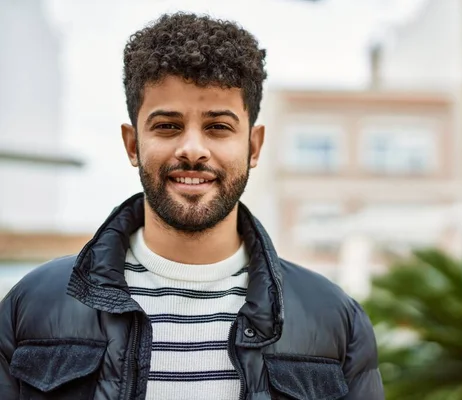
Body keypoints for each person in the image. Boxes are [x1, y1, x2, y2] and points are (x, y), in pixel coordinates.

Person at [0, 12, 384, 400]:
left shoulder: (335, 319)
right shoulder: (31, 305)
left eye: (218, 126)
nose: (193, 150)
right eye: (167, 125)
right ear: (132, 144)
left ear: (254, 146)